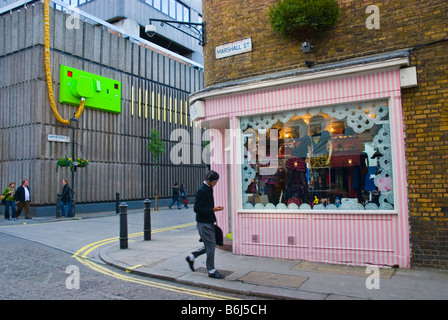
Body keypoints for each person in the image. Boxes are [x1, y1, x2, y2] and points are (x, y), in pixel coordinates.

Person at [185, 171, 225, 279]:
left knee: (210, 245)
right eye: (215, 182)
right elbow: (196, 208)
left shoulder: (207, 188)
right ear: (210, 181)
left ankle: (192, 256)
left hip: (208, 222)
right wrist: (212, 209)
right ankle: (211, 271)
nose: (216, 184)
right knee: (211, 246)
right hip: (204, 223)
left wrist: (213, 210)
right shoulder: (202, 190)